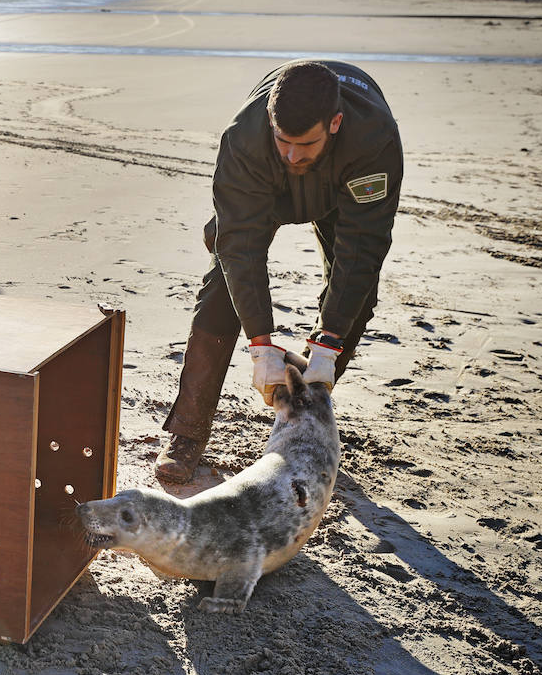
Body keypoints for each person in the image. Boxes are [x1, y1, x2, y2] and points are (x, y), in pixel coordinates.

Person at [155, 59, 403, 484]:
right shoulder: (245, 138)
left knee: (355, 298)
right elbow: (240, 247)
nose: (291, 155)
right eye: (283, 140)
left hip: (341, 190)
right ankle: (187, 433)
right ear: (270, 119)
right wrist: (260, 344)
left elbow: (362, 250)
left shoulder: (374, 140)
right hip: (263, 190)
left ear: (336, 123)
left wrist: (329, 344)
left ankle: (303, 412)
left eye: (304, 144)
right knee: (222, 285)